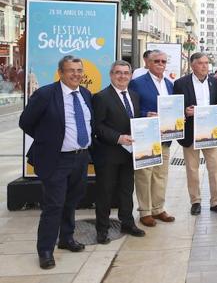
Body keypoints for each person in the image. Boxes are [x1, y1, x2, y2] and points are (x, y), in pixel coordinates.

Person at [19, 56, 93, 269]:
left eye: (79, 70)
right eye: (71, 70)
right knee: (54, 206)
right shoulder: (45, 94)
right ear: (60, 72)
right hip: (57, 160)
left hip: (80, 158)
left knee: (71, 202)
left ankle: (66, 239)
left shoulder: (85, 94)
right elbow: (26, 122)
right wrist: (48, 140)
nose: (76, 74)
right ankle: (45, 250)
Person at [92, 60, 146, 244]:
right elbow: (97, 126)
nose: (122, 76)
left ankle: (127, 223)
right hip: (109, 153)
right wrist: (118, 137)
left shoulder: (134, 95)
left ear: (131, 75)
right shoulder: (101, 97)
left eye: (126, 73)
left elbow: (134, 120)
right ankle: (102, 229)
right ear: (111, 75)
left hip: (130, 153)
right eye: (118, 73)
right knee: (105, 192)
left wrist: (147, 120)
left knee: (126, 190)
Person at [173, 53, 217, 216]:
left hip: (210, 131)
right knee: (192, 169)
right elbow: (176, 107)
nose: (205, 66)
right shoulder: (180, 83)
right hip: (190, 132)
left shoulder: (214, 82)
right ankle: (195, 201)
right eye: (201, 63)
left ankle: (216, 202)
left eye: (206, 63)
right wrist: (184, 112)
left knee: (215, 168)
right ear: (192, 65)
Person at [128, 50, 175, 226]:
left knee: (160, 175)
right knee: (144, 175)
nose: (161, 64)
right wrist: (145, 114)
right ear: (148, 63)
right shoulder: (137, 83)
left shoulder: (170, 84)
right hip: (146, 135)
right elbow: (131, 108)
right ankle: (145, 211)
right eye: (157, 61)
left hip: (165, 136)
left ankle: (158, 208)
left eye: (164, 61)